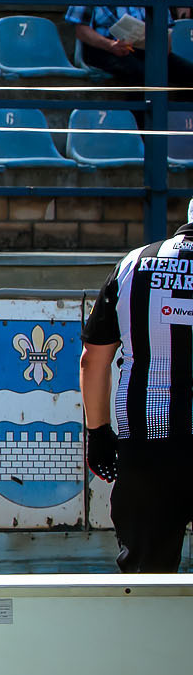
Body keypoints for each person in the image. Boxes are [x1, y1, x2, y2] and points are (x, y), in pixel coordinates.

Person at [82, 202, 193, 572]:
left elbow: (93, 360)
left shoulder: (134, 263)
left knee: (147, 575)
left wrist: (97, 434)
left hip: (148, 444)